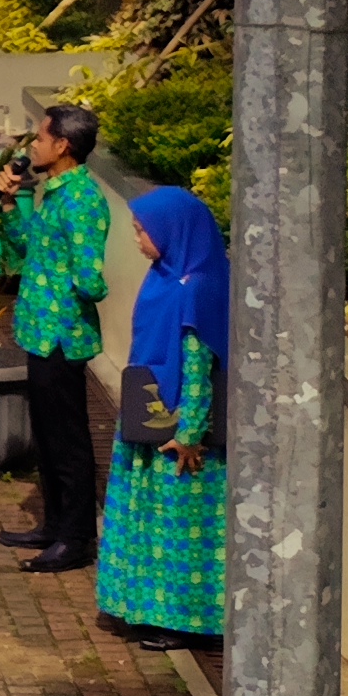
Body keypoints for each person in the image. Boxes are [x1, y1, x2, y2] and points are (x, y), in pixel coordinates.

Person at [0, 103, 111, 575]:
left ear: (63, 147)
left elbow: (90, 275)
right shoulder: (53, 191)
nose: (32, 146)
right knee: (47, 436)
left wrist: (78, 292)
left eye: (39, 139)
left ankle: (76, 538)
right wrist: (9, 204)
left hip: (62, 335)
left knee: (69, 439)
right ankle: (53, 524)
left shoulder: (82, 199)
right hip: (37, 330)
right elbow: (32, 245)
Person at [100, 186, 231, 648]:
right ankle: (142, 607)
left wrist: (190, 433)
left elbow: (199, 365)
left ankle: (184, 623)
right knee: (149, 520)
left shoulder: (198, 288)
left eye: (143, 231)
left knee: (180, 530)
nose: (137, 239)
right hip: (149, 413)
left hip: (179, 433)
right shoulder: (163, 276)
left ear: (174, 232)